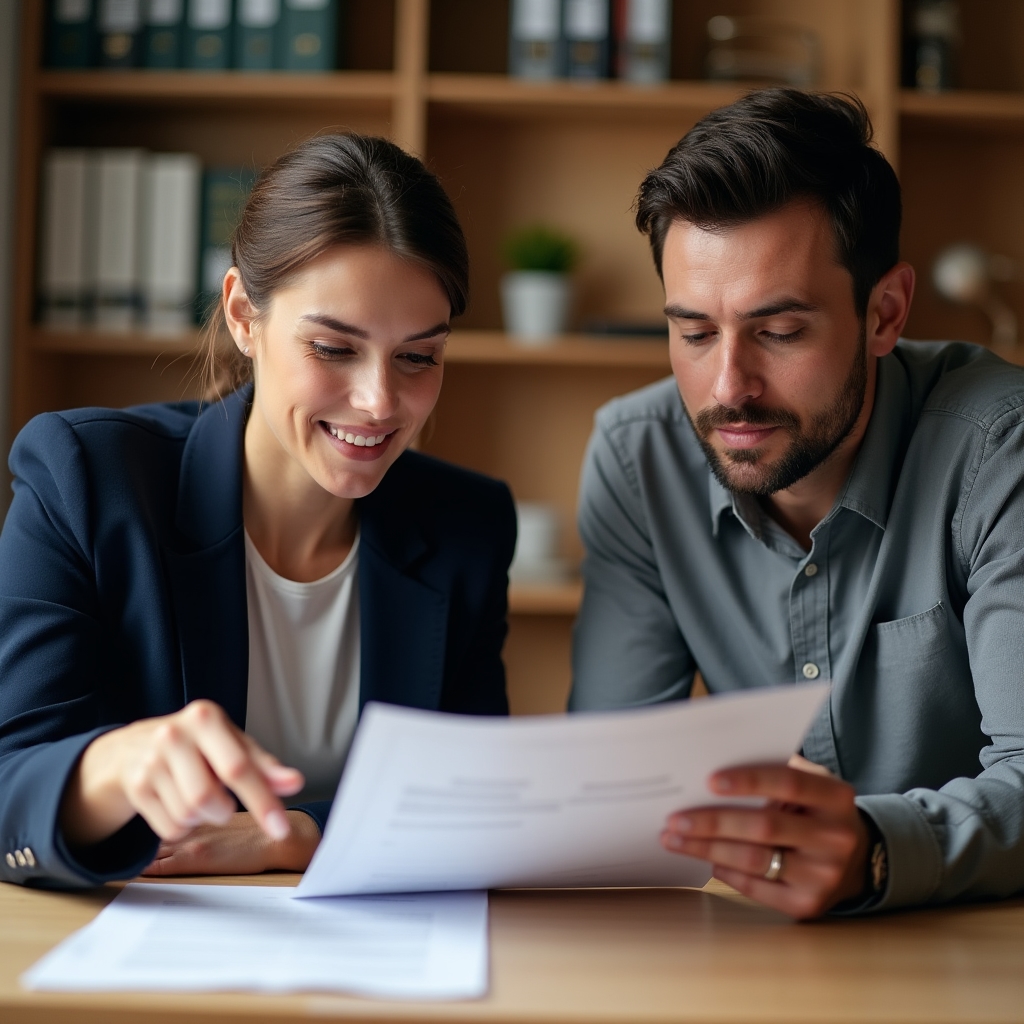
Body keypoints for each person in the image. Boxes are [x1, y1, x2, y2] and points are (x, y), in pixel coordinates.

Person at [0, 134, 515, 889]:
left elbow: (473, 807)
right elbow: (11, 787)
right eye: (334, 349)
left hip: (376, 964)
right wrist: (110, 768)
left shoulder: (466, 526)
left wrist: (300, 835)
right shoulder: (88, 480)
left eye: (418, 356)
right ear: (244, 314)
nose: (379, 402)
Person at [570, 89, 1024, 919]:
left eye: (778, 332)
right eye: (695, 333)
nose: (728, 388)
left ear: (885, 312)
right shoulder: (639, 461)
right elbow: (613, 782)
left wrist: (879, 851)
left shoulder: (1001, 448)